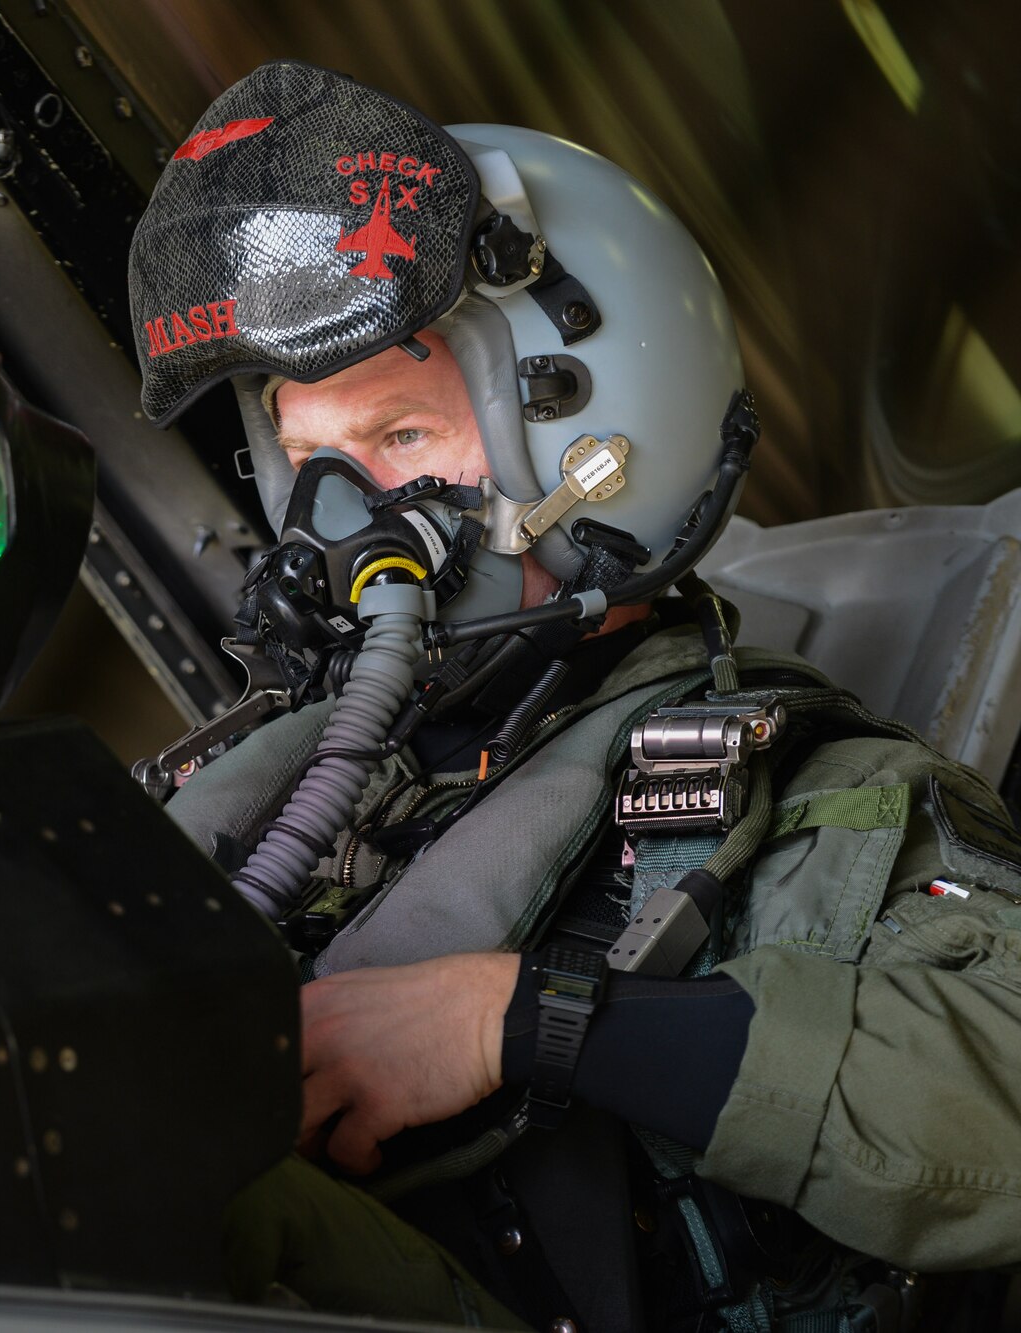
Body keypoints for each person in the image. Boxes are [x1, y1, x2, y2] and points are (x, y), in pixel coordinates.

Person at [131, 60, 1021, 1332]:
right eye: (307, 455)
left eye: (399, 438)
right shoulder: (296, 773)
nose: (337, 517)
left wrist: (518, 1022)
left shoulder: (820, 800)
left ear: (599, 450)